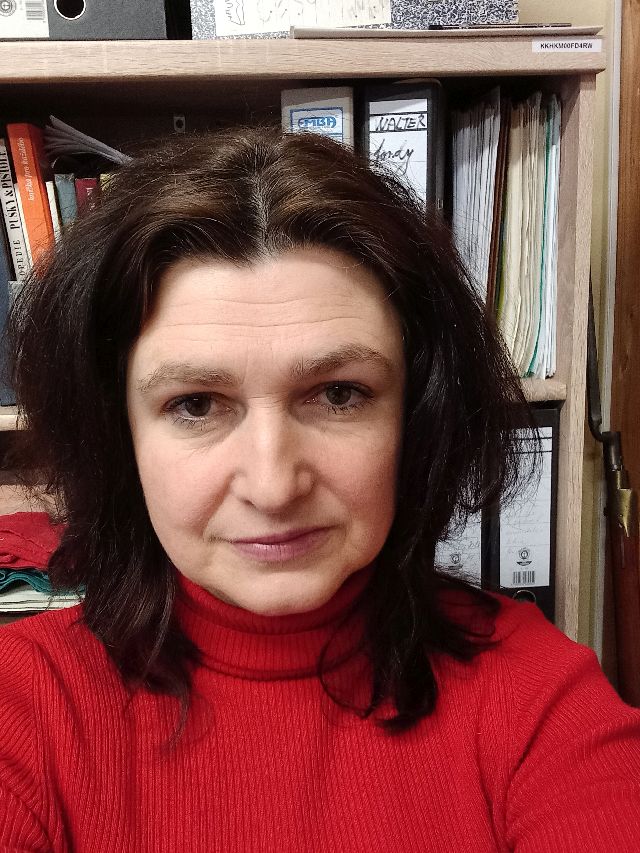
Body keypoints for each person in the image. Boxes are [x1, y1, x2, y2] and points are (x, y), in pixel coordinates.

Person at [1, 126, 639, 853]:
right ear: (120, 434)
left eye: (339, 394)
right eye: (196, 404)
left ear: (416, 416)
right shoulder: (24, 705)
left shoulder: (537, 695)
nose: (274, 486)